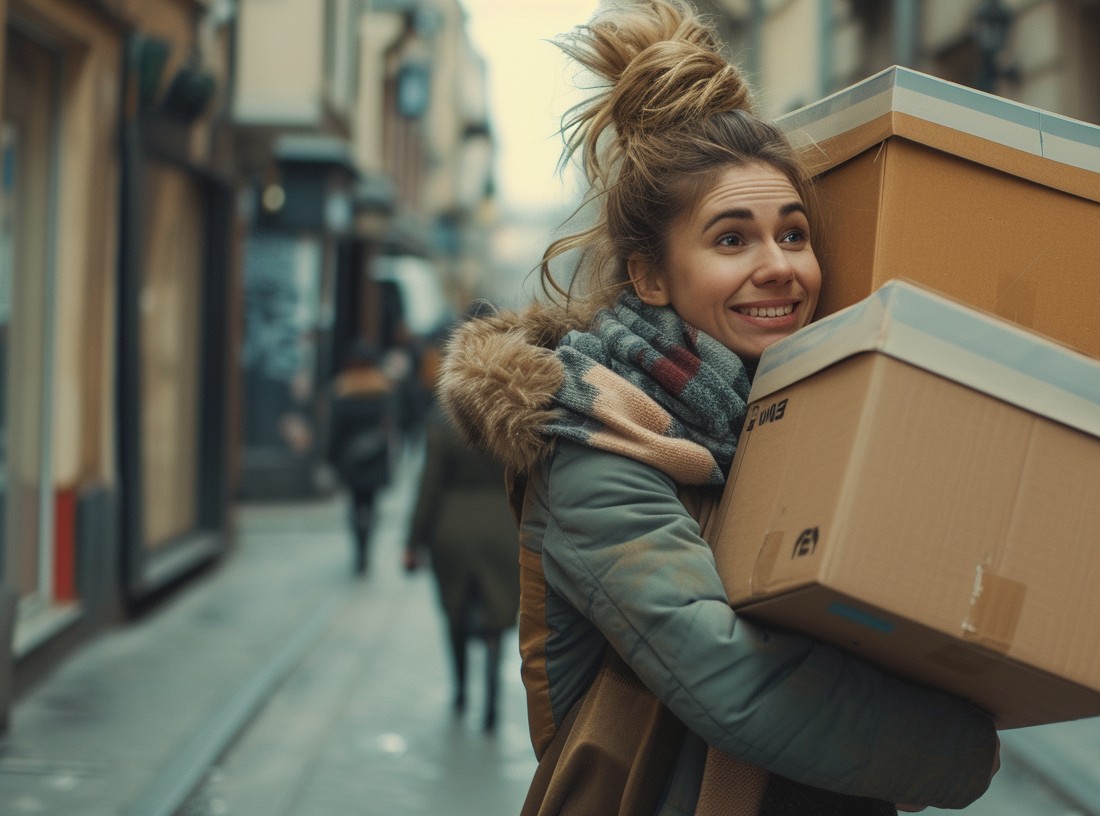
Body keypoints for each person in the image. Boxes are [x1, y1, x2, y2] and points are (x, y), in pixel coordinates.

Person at [438, 1, 1001, 813]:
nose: (779, 267)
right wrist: (960, 750)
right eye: (732, 239)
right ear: (650, 277)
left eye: (794, 234)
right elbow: (732, 680)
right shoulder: (596, 447)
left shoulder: (794, 418)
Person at [405, 325, 520, 732]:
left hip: (450, 528)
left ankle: (460, 691)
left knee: (454, 610)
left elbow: (428, 487)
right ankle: (492, 697)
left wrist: (412, 542)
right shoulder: (513, 411)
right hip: (503, 528)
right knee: (497, 606)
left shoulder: (444, 418)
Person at [326, 341, 395, 575]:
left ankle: (360, 552)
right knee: (372, 506)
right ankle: (366, 549)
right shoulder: (383, 391)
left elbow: (335, 431)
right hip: (375, 458)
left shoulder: (342, 391)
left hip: (351, 459)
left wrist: (331, 459)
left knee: (355, 506)